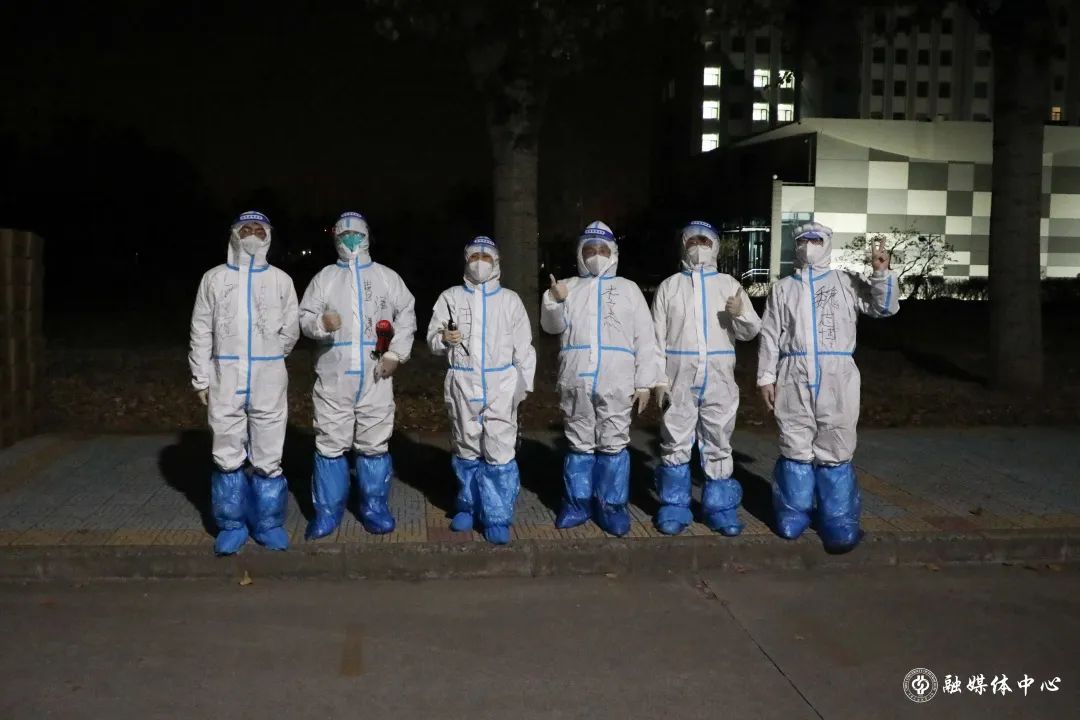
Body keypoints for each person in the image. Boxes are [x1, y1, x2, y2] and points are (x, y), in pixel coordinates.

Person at [757, 221, 898, 552]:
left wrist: (881, 273)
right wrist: (766, 376)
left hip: (838, 374)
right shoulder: (783, 288)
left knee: (836, 442)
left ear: (828, 243)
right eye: (803, 239)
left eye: (816, 239)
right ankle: (793, 512)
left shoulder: (844, 281)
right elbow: (770, 334)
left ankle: (838, 519)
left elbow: (883, 307)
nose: (809, 245)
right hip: (793, 372)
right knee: (794, 441)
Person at [541, 221, 664, 536]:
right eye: (590, 249)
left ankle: (612, 508)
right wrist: (555, 300)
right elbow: (551, 326)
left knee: (613, 443)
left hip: (617, 379)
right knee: (579, 443)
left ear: (613, 253)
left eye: (602, 249)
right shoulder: (567, 286)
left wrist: (644, 382)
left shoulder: (628, 289)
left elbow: (645, 338)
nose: (596, 255)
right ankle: (576, 504)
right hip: (576, 379)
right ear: (580, 254)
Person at [299, 211, 417, 539]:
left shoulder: (386, 277)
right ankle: (327, 512)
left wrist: (395, 353)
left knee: (374, 442)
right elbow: (304, 317)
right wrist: (321, 324)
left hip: (376, 373)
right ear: (335, 238)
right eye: (344, 235)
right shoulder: (324, 278)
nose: (351, 240)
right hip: (333, 375)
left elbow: (406, 314)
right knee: (329, 442)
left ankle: (374, 507)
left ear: (367, 237)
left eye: (357, 235)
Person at [188, 211, 299, 555]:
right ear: (234, 234)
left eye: (259, 230)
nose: (252, 234)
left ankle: (268, 523)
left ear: (268, 236)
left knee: (269, 451)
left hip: (268, 377)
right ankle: (232, 525)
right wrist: (201, 376)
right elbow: (201, 330)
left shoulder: (281, 280)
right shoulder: (214, 279)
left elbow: (291, 329)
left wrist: (269, 355)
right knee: (226, 452)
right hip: (226, 375)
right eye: (246, 229)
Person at [651, 220, 761, 536]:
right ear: (683, 246)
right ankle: (674, 506)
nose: (698, 246)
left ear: (715, 247)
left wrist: (740, 312)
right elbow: (655, 339)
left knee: (718, 439)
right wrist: (658, 379)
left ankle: (720, 509)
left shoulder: (728, 284)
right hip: (678, 377)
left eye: (705, 241)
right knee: (675, 439)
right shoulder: (669, 287)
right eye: (692, 241)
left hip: (719, 378)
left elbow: (752, 330)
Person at [427, 236, 536, 545]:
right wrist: (444, 338)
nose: (479, 262)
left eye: (486, 257)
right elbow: (432, 339)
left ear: (496, 262)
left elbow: (524, 348)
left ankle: (497, 515)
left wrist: (523, 387)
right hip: (463, 382)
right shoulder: (450, 297)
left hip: (501, 383)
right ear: (466, 260)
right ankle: (468, 505)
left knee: (499, 448)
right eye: (474, 256)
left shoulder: (510, 301)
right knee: (466, 444)